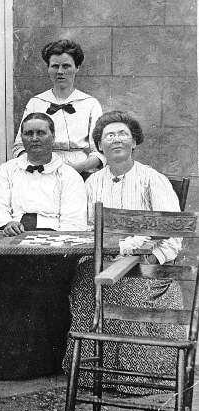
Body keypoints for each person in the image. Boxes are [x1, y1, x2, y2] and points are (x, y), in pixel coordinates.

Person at [65, 110, 183, 394]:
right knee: (84, 281)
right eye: (109, 135)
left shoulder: (152, 179)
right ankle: (92, 374)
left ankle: (135, 378)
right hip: (104, 261)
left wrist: (146, 254)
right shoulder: (93, 182)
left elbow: (171, 227)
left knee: (128, 288)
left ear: (134, 142)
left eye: (122, 134)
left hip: (147, 262)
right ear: (100, 146)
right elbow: (87, 227)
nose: (116, 139)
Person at [0, 112, 87, 379]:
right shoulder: (8, 170)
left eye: (41, 133)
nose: (34, 138)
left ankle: (38, 365)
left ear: (53, 137)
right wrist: (5, 223)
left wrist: (42, 234)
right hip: (12, 241)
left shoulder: (68, 176)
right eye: (28, 133)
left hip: (52, 250)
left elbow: (73, 222)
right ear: (21, 137)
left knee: (35, 287)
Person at [12, 39, 104, 176]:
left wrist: (77, 168)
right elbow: (19, 146)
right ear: (48, 68)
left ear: (77, 68)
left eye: (66, 66)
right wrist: (39, 166)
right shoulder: (36, 103)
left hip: (81, 172)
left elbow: (100, 151)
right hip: (41, 170)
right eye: (55, 66)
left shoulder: (90, 104)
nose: (60, 71)